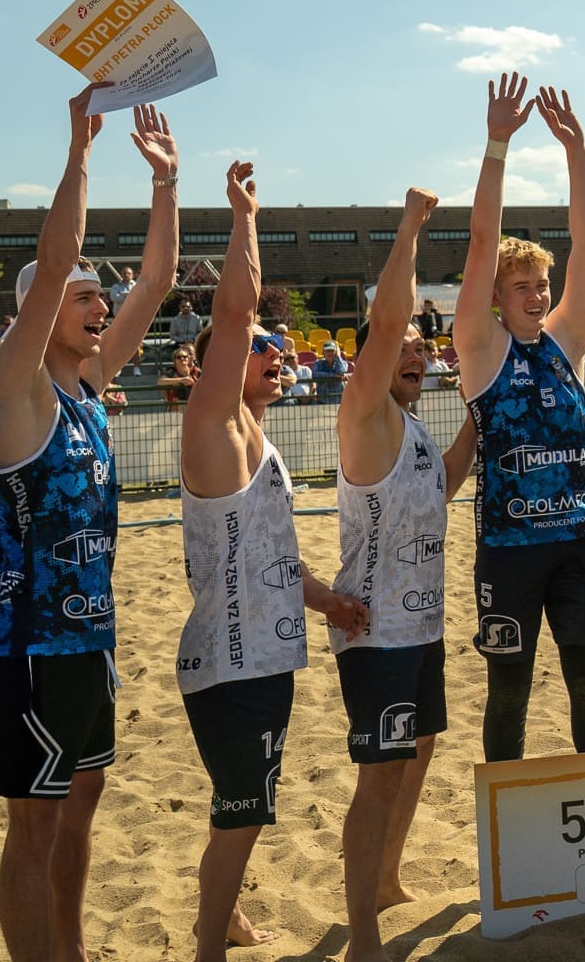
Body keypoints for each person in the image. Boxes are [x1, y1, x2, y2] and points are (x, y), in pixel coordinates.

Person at [0, 89, 183, 962]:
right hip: (31, 648)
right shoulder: (18, 392)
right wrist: (80, 151)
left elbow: (160, 283)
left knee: (81, 814)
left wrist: (166, 185)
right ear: (42, 311)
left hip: (93, 641)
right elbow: (56, 256)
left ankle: (70, 947)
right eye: (84, 296)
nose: (102, 305)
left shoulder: (92, 388)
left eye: (102, 296)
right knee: (34, 829)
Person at [177, 161, 368, 958]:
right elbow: (234, 310)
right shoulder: (213, 425)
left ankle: (221, 919)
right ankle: (209, 946)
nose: (277, 354)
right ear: (218, 367)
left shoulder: (260, 440)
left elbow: (274, 559)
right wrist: (245, 217)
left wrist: (330, 602)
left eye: (276, 349)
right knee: (242, 812)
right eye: (260, 350)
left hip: (263, 654)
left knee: (246, 807)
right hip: (231, 664)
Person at [333, 185, 476, 959]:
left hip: (422, 626)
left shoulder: (414, 430)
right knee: (380, 776)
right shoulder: (365, 410)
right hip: (376, 632)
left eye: (424, 348)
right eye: (405, 347)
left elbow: (442, 485)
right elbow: (387, 324)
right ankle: (362, 934)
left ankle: (386, 877)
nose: (415, 353)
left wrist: (480, 414)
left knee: (421, 751)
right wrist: (410, 228)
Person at [453, 73, 585, 763]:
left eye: (542, 286)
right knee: (509, 691)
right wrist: (497, 145)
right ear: (496, 296)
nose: (537, 295)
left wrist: (576, 151)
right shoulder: (482, 346)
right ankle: (505, 816)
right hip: (510, 547)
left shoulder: (566, 339)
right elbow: (481, 240)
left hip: (578, 540)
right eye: (522, 287)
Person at [160, 343, 200, 410]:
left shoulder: (198, 369)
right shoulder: (172, 370)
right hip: (177, 405)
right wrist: (181, 380)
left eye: (185, 356)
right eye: (179, 357)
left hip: (195, 404)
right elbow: (161, 381)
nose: (182, 358)